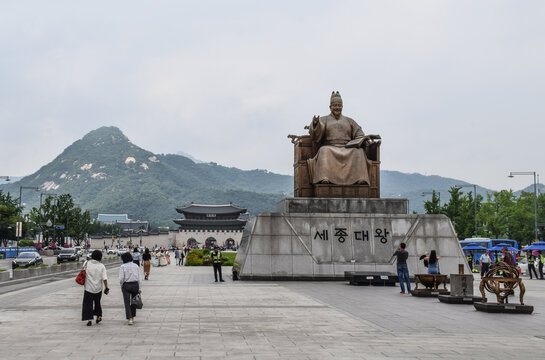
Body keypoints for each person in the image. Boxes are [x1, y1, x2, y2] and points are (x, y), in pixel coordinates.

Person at [307, 91, 378, 185]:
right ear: (330, 107)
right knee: (324, 150)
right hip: (330, 147)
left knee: (359, 152)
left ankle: (360, 179)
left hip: (347, 147)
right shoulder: (323, 120)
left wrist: (364, 139)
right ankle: (325, 178)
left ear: (342, 106)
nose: (337, 108)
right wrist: (315, 124)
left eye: (339, 105)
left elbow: (359, 134)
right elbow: (315, 135)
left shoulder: (350, 121)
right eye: (335, 105)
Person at [82, 250, 109, 326]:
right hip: (98, 288)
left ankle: (89, 319)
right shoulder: (101, 266)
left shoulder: (86, 263)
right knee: (97, 303)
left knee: (88, 304)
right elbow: (104, 278)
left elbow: (83, 272)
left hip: (88, 288)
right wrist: (106, 287)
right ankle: (98, 317)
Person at [119, 252, 142, 325]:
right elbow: (139, 278)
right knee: (134, 301)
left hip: (126, 285)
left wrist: (121, 285)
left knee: (127, 302)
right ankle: (133, 315)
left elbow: (121, 278)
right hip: (135, 285)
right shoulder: (136, 266)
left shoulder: (122, 266)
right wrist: (140, 288)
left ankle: (130, 318)